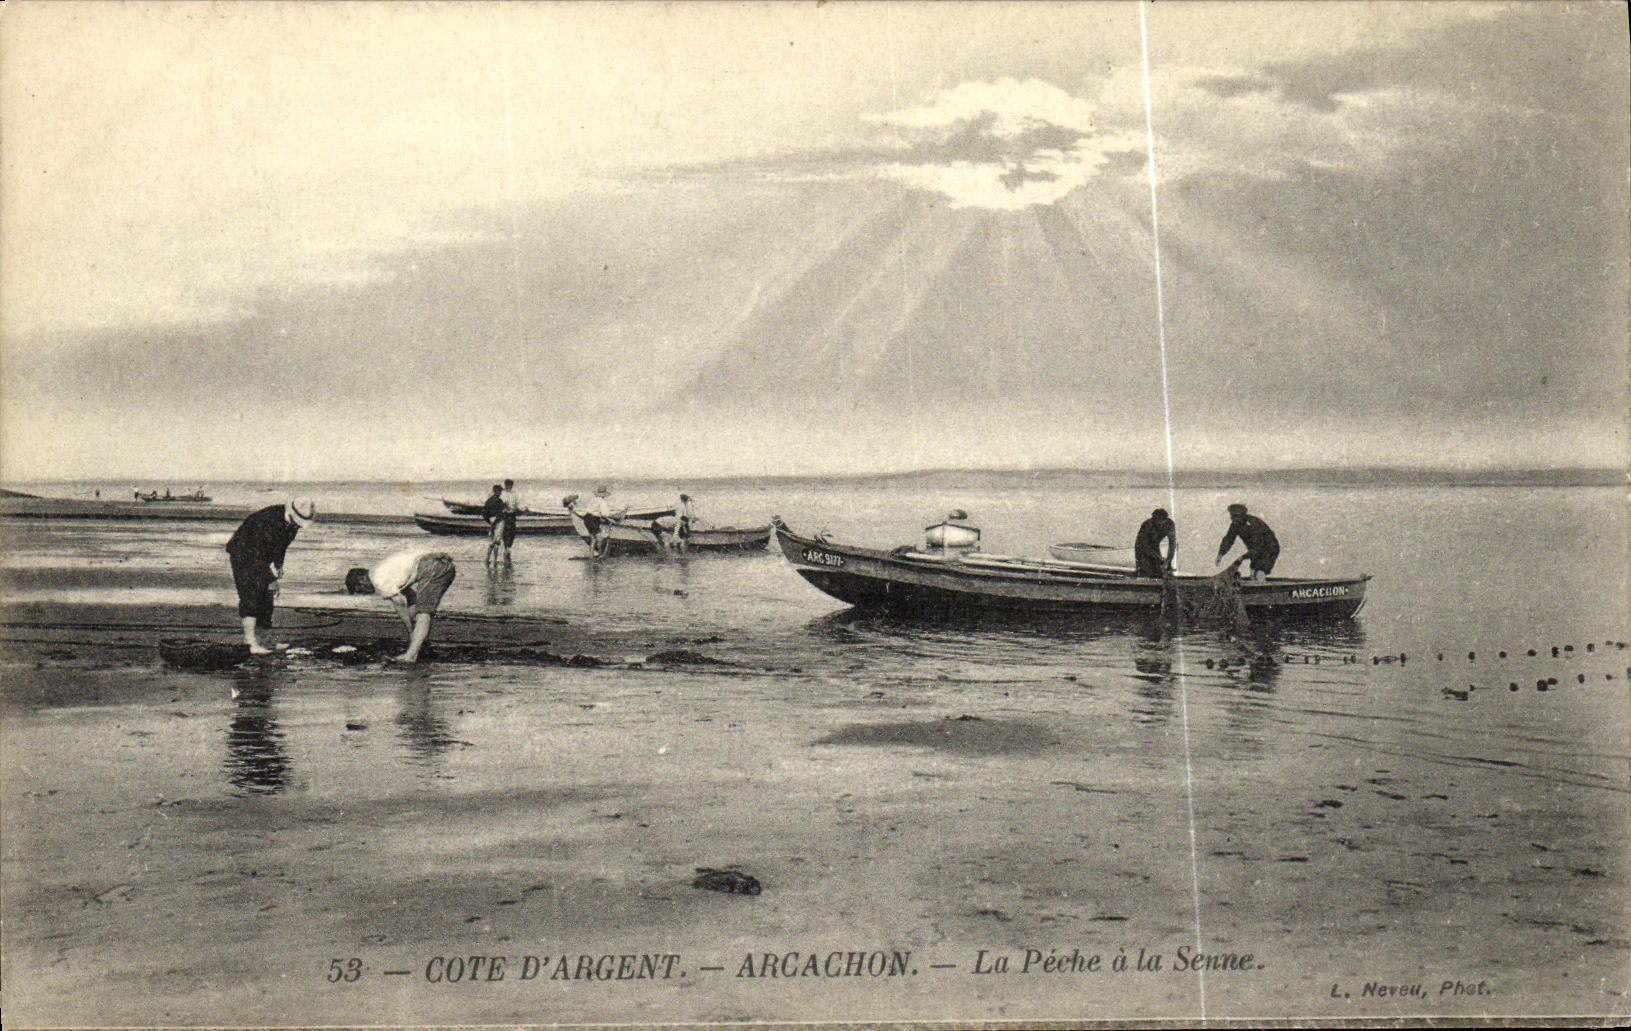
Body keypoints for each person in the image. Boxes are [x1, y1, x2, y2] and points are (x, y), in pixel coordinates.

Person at [225, 497, 314, 653]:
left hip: (259, 556)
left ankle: (265, 640)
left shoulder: (292, 525)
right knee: (252, 594)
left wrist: (279, 565)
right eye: (297, 523)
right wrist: (271, 579)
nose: (298, 527)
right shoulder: (267, 521)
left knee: (267, 595)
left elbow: (282, 546)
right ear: (291, 514)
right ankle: (250, 642)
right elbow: (257, 553)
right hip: (243, 553)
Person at [346, 549, 457, 663]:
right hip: (444, 565)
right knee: (423, 612)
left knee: (423, 614)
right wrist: (413, 625)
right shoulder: (386, 573)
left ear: (362, 578)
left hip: (432, 566)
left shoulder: (377, 579)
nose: (364, 593)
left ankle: (410, 656)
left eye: (360, 589)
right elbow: (411, 597)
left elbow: (399, 603)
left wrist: (410, 630)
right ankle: (419, 647)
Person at [1215, 503, 1279, 580]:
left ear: (1243, 515)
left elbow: (1258, 547)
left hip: (1269, 549)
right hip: (1256, 550)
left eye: (1236, 516)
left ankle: (1260, 583)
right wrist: (1220, 554)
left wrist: (1244, 558)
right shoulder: (1235, 525)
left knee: (1259, 572)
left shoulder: (1253, 524)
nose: (1233, 519)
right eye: (1232, 516)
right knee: (1253, 574)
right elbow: (1228, 539)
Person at [1134, 507, 1178, 578]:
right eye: (1156, 521)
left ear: (1165, 520)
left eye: (1161, 522)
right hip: (1142, 546)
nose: (1159, 524)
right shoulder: (1147, 525)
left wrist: (1168, 560)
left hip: (1155, 545)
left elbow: (1172, 544)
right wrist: (1159, 558)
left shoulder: (1170, 524)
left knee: (1159, 570)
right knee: (1145, 569)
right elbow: (1144, 545)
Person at [480, 483, 505, 565]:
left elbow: (484, 513)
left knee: (492, 541)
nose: (501, 493)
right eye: (500, 491)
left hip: (491, 521)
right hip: (499, 522)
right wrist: (495, 522)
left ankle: (487, 558)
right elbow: (500, 514)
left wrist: (490, 522)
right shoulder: (500, 501)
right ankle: (495, 560)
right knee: (497, 542)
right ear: (498, 492)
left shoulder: (488, 501)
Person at [499, 478, 522, 560]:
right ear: (505, 485)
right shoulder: (502, 493)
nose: (509, 487)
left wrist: (517, 508)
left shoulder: (514, 494)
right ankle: (506, 547)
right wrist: (505, 506)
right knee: (505, 531)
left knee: (512, 531)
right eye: (507, 485)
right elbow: (501, 503)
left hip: (512, 514)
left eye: (510, 486)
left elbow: (517, 504)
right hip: (504, 514)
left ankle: (509, 547)